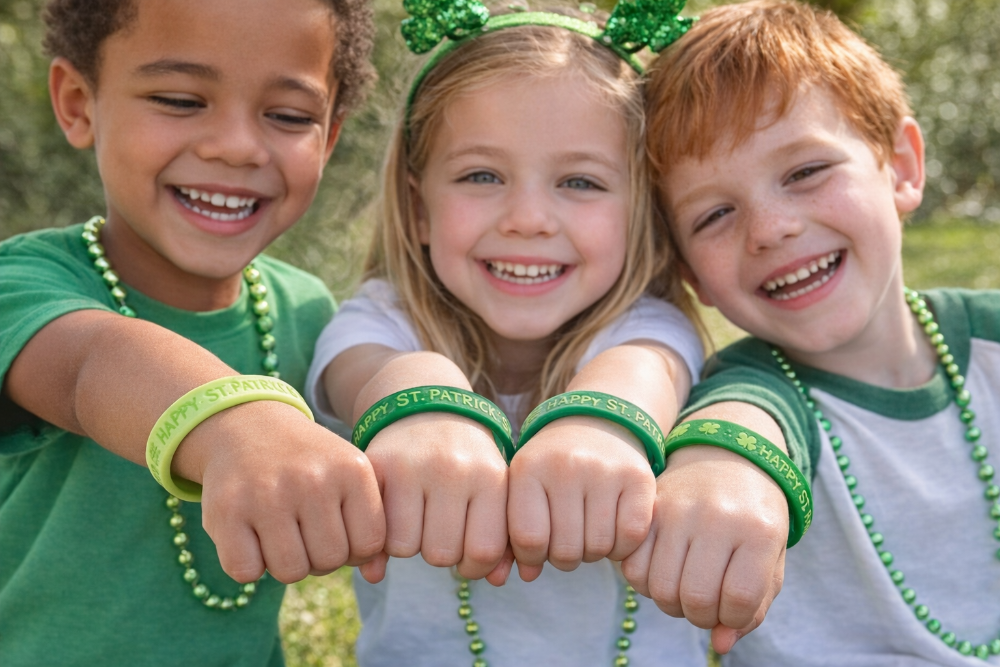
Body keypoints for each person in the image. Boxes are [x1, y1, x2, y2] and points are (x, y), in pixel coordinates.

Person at [306, 1, 797, 663]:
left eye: (579, 181)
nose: (529, 218)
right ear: (419, 208)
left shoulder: (650, 328)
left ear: (638, 212)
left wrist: (598, 426)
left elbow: (643, 371)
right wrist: (422, 401)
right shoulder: (383, 318)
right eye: (482, 175)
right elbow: (361, 369)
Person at [0, 0, 387, 664]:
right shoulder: (22, 284)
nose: (236, 145)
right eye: (180, 99)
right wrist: (239, 424)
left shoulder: (305, 310)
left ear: (329, 136)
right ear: (77, 103)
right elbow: (90, 364)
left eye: (290, 116)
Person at [643, 0, 1000, 663]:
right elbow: (739, 427)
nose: (770, 227)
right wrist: (721, 471)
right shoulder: (755, 385)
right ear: (690, 274)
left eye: (805, 172)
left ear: (900, 167)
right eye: (715, 213)